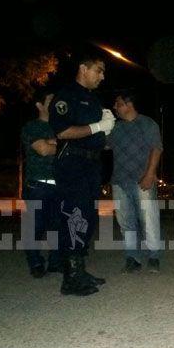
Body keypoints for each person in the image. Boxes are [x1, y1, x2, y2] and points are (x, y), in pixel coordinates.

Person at [48, 53, 114, 296]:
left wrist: (106, 131)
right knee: (74, 216)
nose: (102, 76)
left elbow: (97, 139)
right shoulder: (66, 96)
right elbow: (63, 132)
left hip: (91, 165)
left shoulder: (93, 100)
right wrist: (98, 127)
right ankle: (70, 277)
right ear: (83, 68)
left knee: (88, 217)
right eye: (99, 70)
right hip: (72, 164)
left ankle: (79, 269)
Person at [108, 90, 163, 274]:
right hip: (119, 181)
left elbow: (156, 149)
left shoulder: (147, 123)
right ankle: (133, 258)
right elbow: (102, 144)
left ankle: (154, 257)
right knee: (126, 222)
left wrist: (150, 174)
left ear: (128, 104)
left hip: (142, 179)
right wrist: (100, 124)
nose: (114, 107)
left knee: (149, 219)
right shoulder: (115, 128)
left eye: (118, 103)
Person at [20, 88, 62, 278]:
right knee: (35, 227)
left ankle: (55, 262)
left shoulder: (61, 127)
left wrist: (53, 142)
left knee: (57, 226)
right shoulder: (31, 127)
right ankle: (35, 262)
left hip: (60, 185)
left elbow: (72, 147)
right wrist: (59, 145)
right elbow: (43, 149)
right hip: (37, 185)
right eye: (50, 101)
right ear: (39, 105)